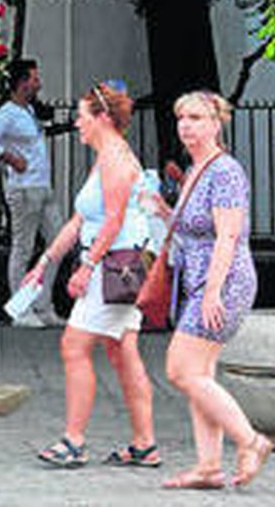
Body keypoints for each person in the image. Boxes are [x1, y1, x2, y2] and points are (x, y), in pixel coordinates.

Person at [22, 80, 160, 470]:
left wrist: (86, 267)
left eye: (81, 117)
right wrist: (45, 261)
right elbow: (82, 218)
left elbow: (113, 221)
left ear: (101, 118)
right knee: (122, 352)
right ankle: (144, 444)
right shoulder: (108, 155)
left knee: (74, 346)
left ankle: (74, 441)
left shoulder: (115, 158)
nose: (77, 124)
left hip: (114, 267)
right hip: (123, 266)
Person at [160, 90, 270, 490]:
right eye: (181, 117)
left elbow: (227, 236)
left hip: (223, 282)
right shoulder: (196, 171)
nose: (186, 125)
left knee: (179, 368)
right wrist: (164, 212)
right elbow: (195, 229)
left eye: (196, 118)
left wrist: (212, 293)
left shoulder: (224, 172)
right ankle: (208, 467)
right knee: (198, 374)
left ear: (216, 123)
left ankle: (250, 440)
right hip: (200, 282)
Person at [0, 59, 65, 328]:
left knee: (57, 243)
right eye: (34, 78)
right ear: (21, 83)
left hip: (42, 186)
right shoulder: (7, 112)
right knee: (23, 248)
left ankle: (43, 305)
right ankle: (20, 310)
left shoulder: (28, 110)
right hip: (23, 189)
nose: (38, 83)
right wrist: (9, 157)